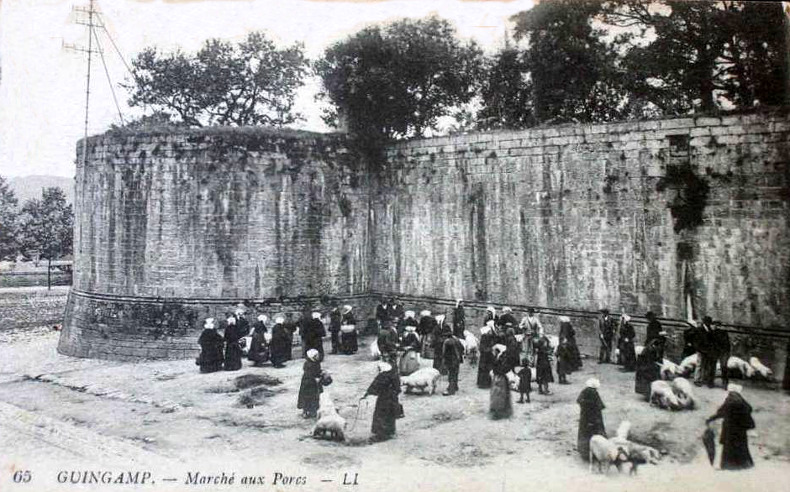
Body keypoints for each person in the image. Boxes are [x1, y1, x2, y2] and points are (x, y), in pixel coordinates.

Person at [706, 384, 755, 470]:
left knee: (728, 447)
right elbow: (749, 408)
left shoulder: (730, 400)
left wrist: (710, 419)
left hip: (730, 428)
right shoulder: (741, 400)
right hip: (740, 429)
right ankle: (744, 464)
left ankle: (728, 465)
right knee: (741, 446)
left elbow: (721, 412)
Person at [362, 362, 401, 442]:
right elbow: (398, 388)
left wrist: (367, 393)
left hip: (384, 400)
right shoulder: (394, 375)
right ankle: (390, 432)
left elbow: (375, 386)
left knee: (381, 416)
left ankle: (381, 434)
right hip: (393, 399)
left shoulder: (382, 376)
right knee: (390, 416)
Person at [577, 378, 606, 461]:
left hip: (584, 417)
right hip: (594, 417)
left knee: (584, 433)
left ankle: (584, 452)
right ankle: (595, 453)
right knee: (596, 434)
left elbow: (579, 400)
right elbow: (600, 406)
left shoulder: (584, 391)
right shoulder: (594, 393)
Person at [490, 344, 514, 419]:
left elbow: (502, 368)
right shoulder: (501, 358)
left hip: (500, 378)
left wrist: (497, 371)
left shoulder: (501, 358)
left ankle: (498, 412)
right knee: (500, 395)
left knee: (498, 395)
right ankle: (502, 411)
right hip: (501, 377)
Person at [297, 349, 322, 418]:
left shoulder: (317, 363)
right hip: (308, 384)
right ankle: (305, 411)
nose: (318, 356)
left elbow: (318, 371)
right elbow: (308, 374)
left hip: (315, 384)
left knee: (316, 397)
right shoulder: (308, 364)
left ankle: (314, 410)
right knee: (307, 398)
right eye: (316, 355)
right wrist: (314, 378)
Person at [441, 328, 465, 395]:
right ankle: (455, 386)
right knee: (455, 373)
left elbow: (444, 352)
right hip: (457, 359)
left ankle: (451, 390)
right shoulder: (456, 339)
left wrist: (444, 361)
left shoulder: (447, 342)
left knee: (451, 374)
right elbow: (462, 348)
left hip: (451, 360)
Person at [532, 328, 554, 395]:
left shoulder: (538, 343)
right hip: (545, 362)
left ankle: (540, 389)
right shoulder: (544, 342)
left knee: (540, 375)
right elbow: (549, 348)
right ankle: (546, 390)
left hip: (539, 362)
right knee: (545, 376)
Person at [477, 320, 496, 389]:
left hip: (485, 354)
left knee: (484, 369)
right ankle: (484, 384)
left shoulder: (486, 334)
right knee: (485, 369)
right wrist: (489, 350)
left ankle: (482, 383)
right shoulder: (486, 335)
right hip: (486, 354)